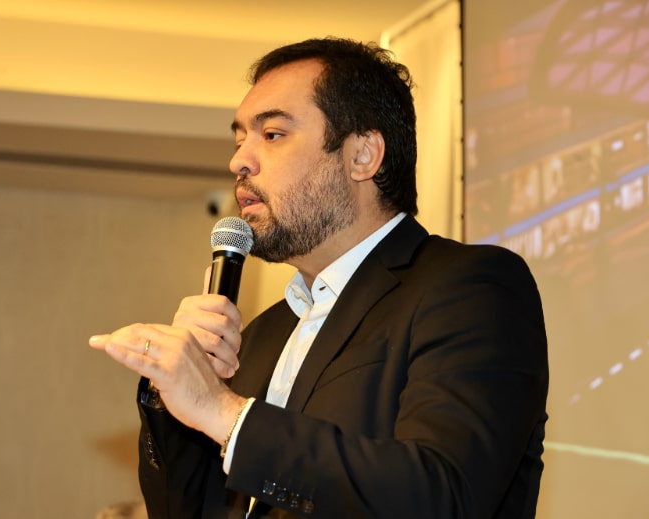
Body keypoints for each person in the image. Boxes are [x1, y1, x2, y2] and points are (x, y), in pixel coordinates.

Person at [89, 37, 548, 518]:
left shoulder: (471, 288)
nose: (238, 162)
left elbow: (442, 495)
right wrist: (177, 389)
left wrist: (223, 412)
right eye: (239, 140)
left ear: (362, 155)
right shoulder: (261, 335)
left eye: (272, 135)